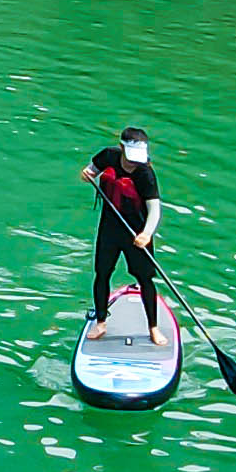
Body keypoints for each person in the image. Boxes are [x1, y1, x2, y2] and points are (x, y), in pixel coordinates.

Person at [82, 125, 163, 335]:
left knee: (145, 279)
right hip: (110, 228)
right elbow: (91, 170)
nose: (134, 163)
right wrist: (87, 174)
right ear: (121, 147)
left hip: (137, 233)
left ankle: (153, 327)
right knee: (102, 273)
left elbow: (154, 210)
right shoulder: (108, 156)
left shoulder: (145, 174)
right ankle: (100, 323)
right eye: (130, 157)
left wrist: (146, 234)